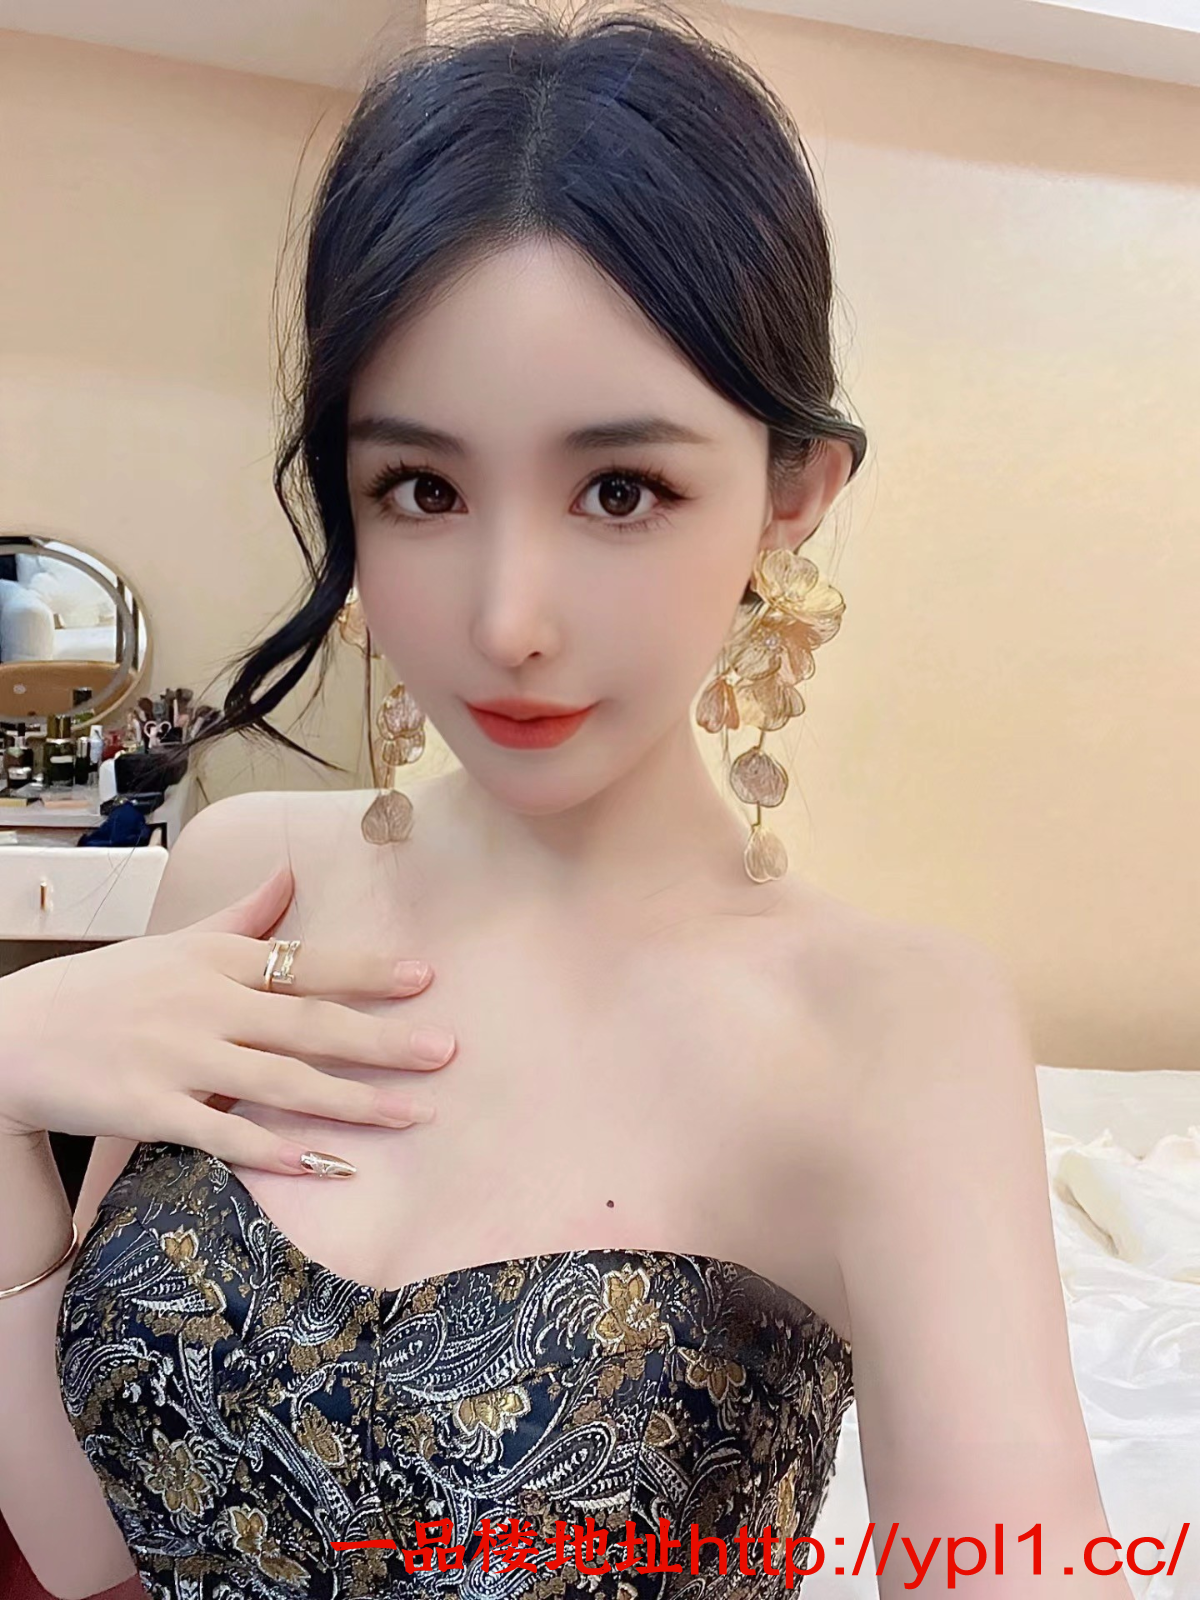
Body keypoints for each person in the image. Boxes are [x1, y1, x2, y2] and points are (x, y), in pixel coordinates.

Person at [0, 4, 1135, 1597]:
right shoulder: (247, 883)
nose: (507, 618)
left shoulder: (889, 1035)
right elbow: (84, 1545)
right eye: (423, 488)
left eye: (620, 490)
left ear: (790, 493)